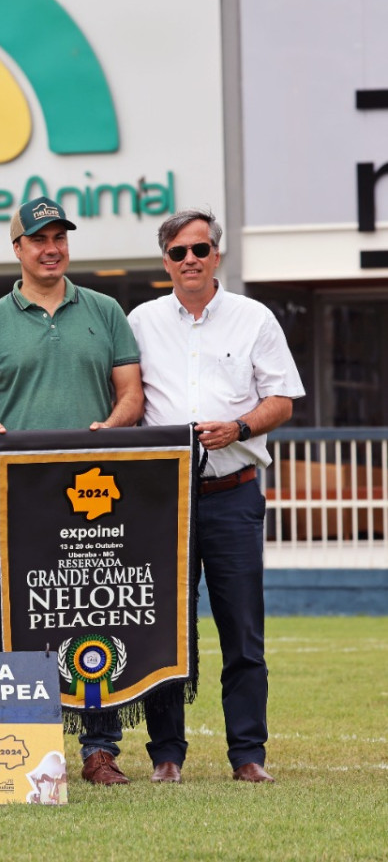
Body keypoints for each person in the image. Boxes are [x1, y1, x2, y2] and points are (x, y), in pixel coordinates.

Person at [0, 195, 144, 786]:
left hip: (94, 497)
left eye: (60, 236)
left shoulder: (107, 310)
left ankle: (99, 748)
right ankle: (23, 738)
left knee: (96, 611)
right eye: (39, 238)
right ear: (18, 249)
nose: (51, 247)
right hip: (16, 496)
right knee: (14, 612)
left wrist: (112, 429)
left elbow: (132, 395)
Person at [128, 208, 303, 785]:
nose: (190, 261)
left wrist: (240, 427)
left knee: (242, 628)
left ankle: (248, 756)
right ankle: (166, 757)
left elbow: (282, 400)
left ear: (216, 255)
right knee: (164, 631)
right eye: (178, 253)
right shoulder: (141, 322)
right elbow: (128, 403)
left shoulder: (254, 318)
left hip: (234, 493)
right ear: (166, 263)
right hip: (163, 500)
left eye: (199, 249)